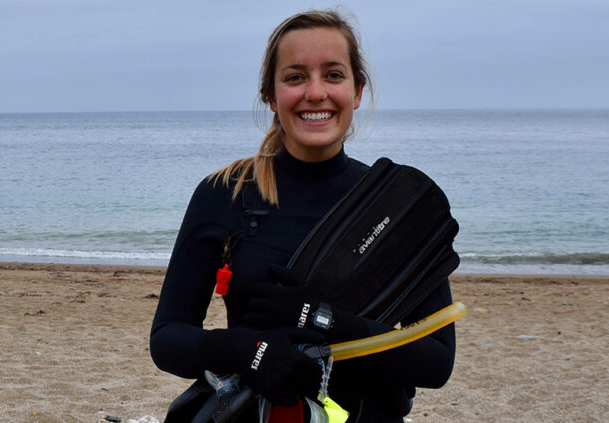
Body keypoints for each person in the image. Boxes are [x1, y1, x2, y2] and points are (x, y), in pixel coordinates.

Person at [150, 9, 456, 422]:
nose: (315, 93)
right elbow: (168, 336)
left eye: (333, 75)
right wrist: (248, 351)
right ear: (272, 96)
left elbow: (436, 362)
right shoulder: (226, 194)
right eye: (295, 77)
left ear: (358, 90)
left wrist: (318, 318)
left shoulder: (399, 207)